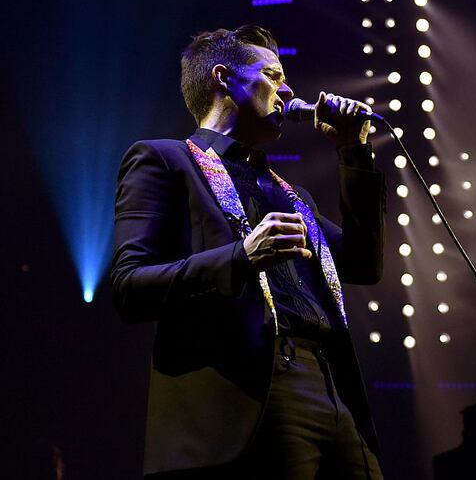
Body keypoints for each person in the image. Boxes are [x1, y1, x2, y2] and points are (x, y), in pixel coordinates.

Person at [111, 25, 386, 479]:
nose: (288, 89)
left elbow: (362, 264)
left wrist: (352, 154)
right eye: (273, 76)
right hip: (256, 388)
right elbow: (129, 287)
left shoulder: (290, 194)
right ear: (224, 78)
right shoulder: (164, 161)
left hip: (331, 387)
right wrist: (242, 256)